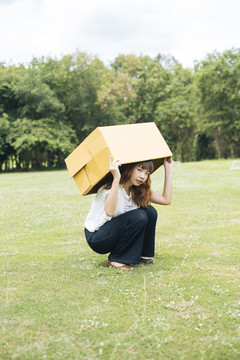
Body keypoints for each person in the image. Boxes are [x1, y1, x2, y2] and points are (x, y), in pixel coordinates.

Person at [84, 155, 173, 270]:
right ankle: (116, 260)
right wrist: (116, 178)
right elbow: (109, 212)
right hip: (97, 237)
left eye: (146, 173)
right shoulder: (110, 188)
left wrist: (168, 168)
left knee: (150, 212)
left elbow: (166, 200)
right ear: (129, 168)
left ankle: (141, 253)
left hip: (113, 233)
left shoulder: (138, 189)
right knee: (139, 215)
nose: (142, 176)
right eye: (139, 170)